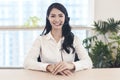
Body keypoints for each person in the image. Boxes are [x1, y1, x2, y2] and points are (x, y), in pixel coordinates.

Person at [24, 2, 92, 76]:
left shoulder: (74, 39)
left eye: (60, 16)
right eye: (53, 16)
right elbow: (27, 62)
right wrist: (48, 67)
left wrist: (71, 65)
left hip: (68, 77)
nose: (57, 20)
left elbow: (88, 62)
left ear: (65, 18)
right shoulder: (40, 40)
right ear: (48, 18)